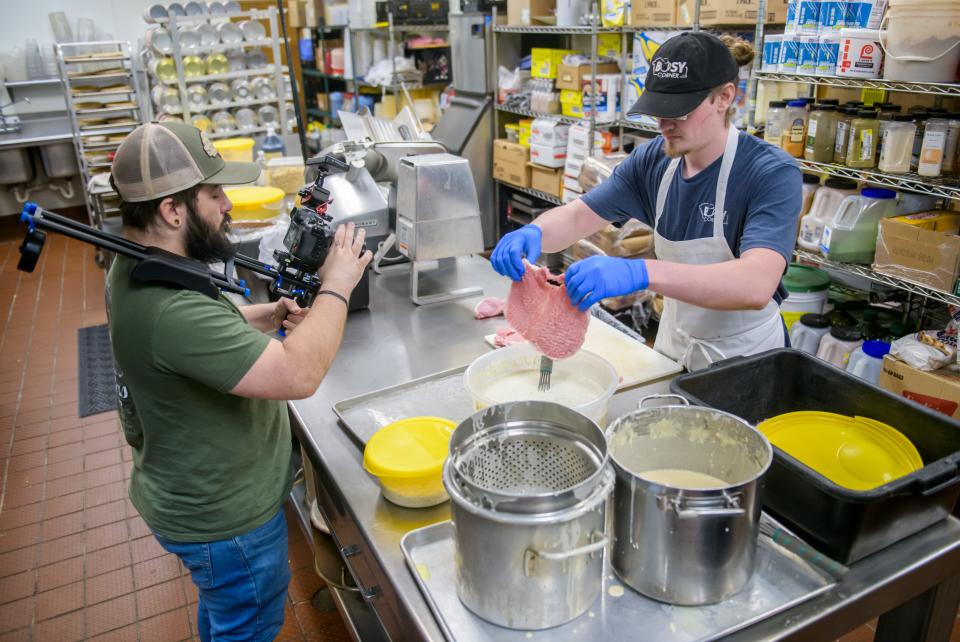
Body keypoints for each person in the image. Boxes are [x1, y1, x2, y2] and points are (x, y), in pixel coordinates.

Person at [105, 122, 371, 641]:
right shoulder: (168, 308)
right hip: (224, 521)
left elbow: (198, 338)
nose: (227, 204)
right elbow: (299, 374)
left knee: (225, 615)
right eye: (215, 193)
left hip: (189, 490)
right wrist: (338, 285)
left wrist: (267, 315)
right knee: (246, 625)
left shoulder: (138, 263)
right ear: (172, 210)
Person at [491, 33, 802, 371]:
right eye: (657, 110)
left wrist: (639, 271)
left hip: (746, 361)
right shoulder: (654, 161)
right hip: (674, 350)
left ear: (724, 97)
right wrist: (533, 232)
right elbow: (579, 217)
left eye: (678, 112)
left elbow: (756, 284)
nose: (664, 125)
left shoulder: (769, 172)